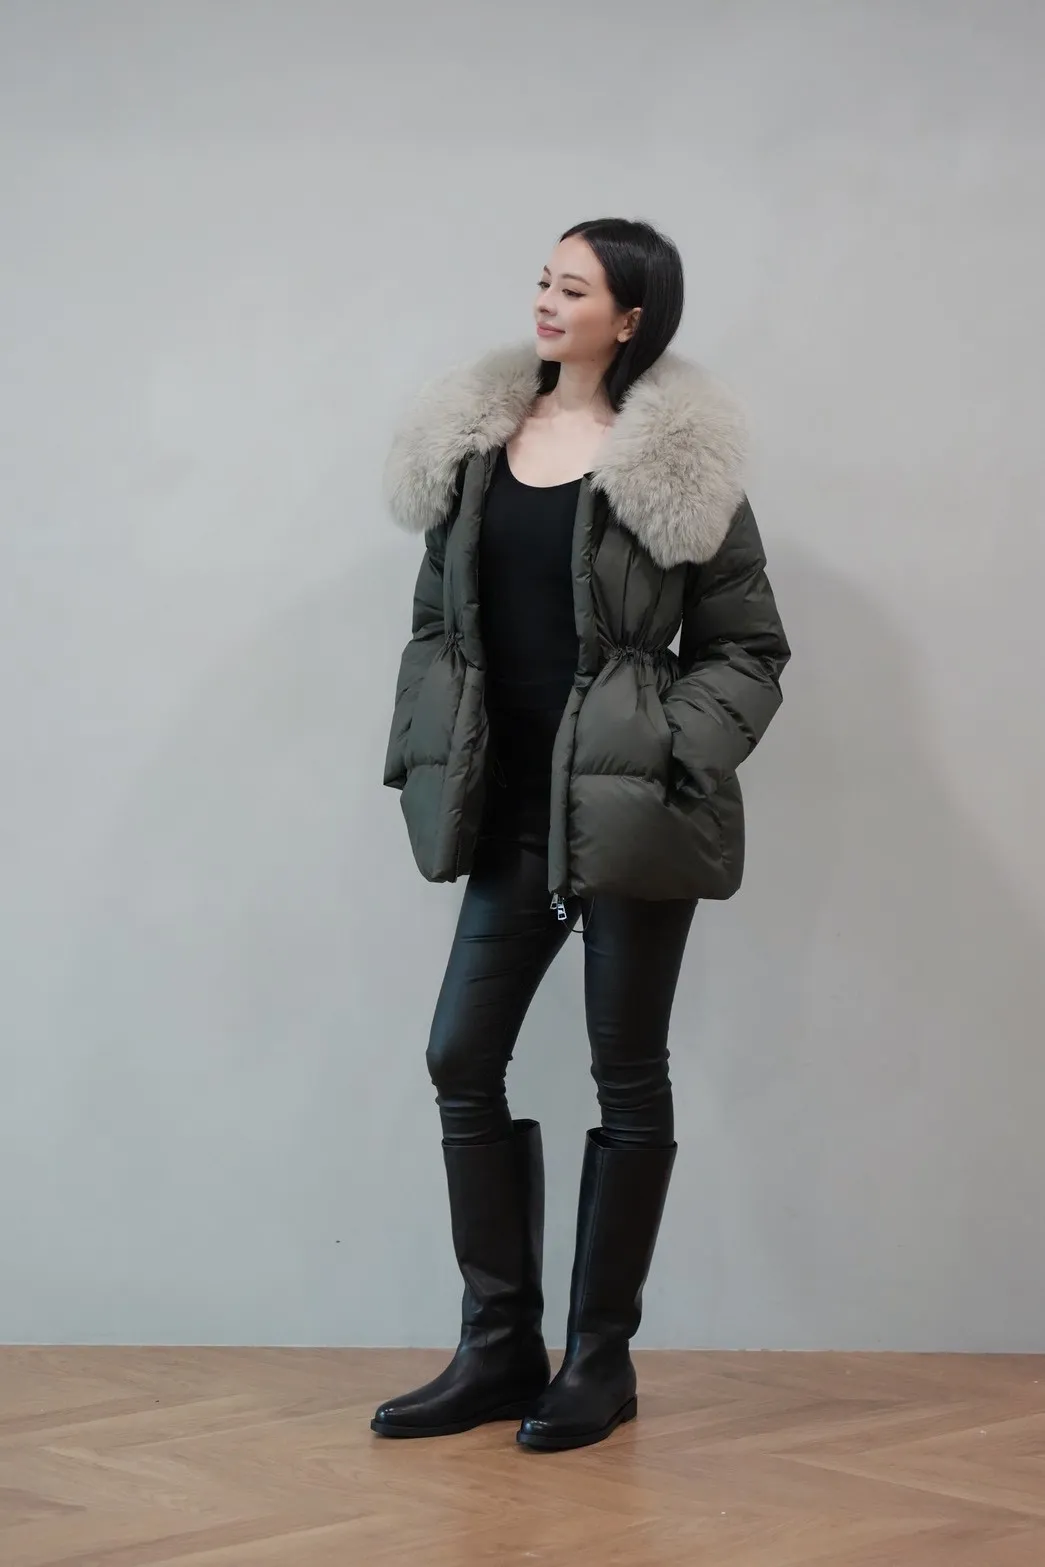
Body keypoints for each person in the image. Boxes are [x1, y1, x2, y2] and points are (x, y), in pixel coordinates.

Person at [372, 217, 790, 1452]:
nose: (546, 304)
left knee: (627, 1070)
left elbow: (749, 649)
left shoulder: (676, 469)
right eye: (542, 282)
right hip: (508, 811)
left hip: (627, 814)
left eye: (574, 288)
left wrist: (663, 750)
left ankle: (599, 1360)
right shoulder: (477, 453)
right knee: (461, 1056)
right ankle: (498, 1346)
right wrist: (426, 741)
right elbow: (436, 623)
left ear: (631, 318)